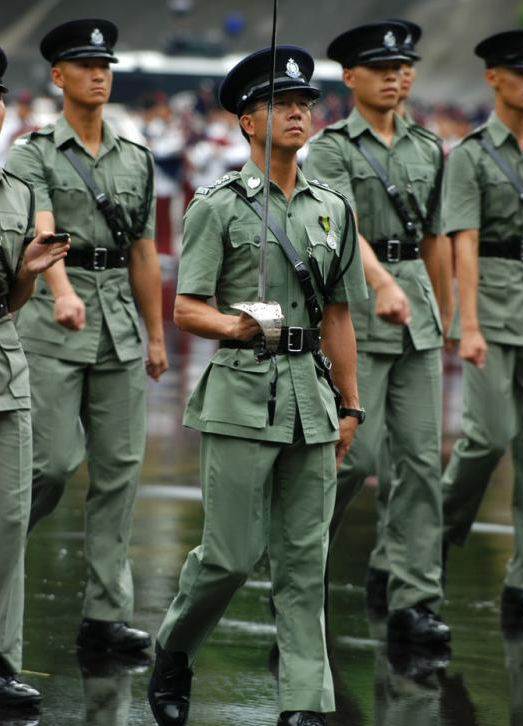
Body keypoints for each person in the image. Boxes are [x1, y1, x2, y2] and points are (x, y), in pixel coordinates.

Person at [148, 45, 367, 726]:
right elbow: (186, 307)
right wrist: (237, 327)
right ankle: (175, 646)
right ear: (248, 122)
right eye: (281, 105)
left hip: (312, 401)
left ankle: (305, 706)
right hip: (242, 398)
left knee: (306, 564)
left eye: (305, 104)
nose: (299, 114)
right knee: (230, 556)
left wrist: (352, 402)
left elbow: (338, 315)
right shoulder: (219, 206)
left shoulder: (333, 207)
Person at [5, 19, 168, 654]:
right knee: (46, 464)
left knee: (120, 473)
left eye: (106, 64)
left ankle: (105, 616)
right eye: (85, 64)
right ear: (58, 75)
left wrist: (157, 335)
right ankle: (1, 567)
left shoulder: (136, 159)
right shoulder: (33, 151)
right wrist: (64, 293)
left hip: (121, 329)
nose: (99, 73)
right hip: (52, 323)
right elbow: (38, 229)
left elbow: (145, 252)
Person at [304, 20, 450, 644]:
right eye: (383, 68)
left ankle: (413, 596)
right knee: (351, 459)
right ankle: (301, 577)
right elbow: (342, 226)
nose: (397, 76)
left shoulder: (427, 145)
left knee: (419, 463)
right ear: (351, 76)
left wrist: (447, 315)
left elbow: (436, 237)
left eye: (403, 67)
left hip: (417, 318)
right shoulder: (331, 148)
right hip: (359, 314)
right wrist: (384, 285)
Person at [441, 29, 523, 623]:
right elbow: (464, 245)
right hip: (492, 314)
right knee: (488, 438)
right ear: (493, 78)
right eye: (519, 72)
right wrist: (466, 323)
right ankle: (427, 544)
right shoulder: (473, 155)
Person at [0, 47, 71, 707]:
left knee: (9, 515)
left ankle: (1, 660)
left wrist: (28, 270)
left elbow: (12, 303)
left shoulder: (16, 193)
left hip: (4, 368)